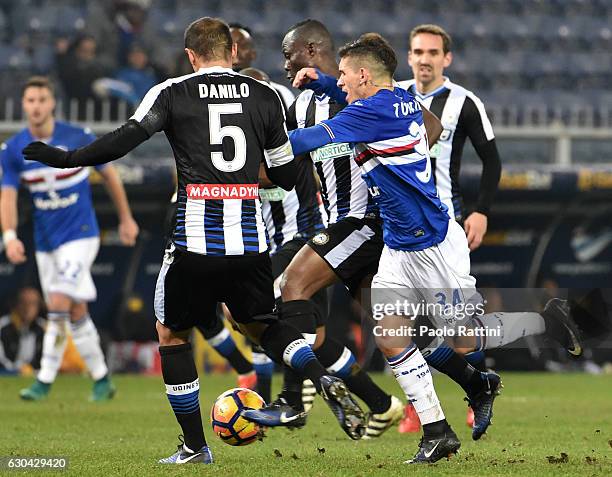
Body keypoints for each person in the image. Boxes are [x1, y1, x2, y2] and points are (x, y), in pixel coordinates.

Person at [22, 18, 366, 465]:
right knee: (263, 325)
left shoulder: (172, 91)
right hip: (250, 242)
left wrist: (68, 158)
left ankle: (194, 446)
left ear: (190, 55)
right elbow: (284, 171)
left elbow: (125, 139)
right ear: (230, 52)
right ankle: (319, 377)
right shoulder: (264, 96)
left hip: (194, 241)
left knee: (170, 333)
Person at [288, 34, 584, 462]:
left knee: (464, 341)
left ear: (365, 75)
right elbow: (430, 126)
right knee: (391, 337)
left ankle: (546, 321)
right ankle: (437, 430)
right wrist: (326, 83)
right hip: (397, 244)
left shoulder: (371, 112)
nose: (343, 81)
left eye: (346, 75)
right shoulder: (399, 100)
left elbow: (302, 142)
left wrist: (252, 137)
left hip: (434, 245)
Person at [245, 20, 403, 440]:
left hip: (371, 224)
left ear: (312, 50)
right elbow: (291, 166)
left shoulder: (369, 93)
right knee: (376, 333)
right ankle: (389, 403)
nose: (285, 64)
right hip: (337, 230)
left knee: (287, 289)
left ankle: (293, 402)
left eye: (289, 54)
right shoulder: (300, 106)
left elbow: (430, 128)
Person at [0, 76, 139, 401]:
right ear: (24, 105)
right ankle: (103, 380)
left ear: (52, 104)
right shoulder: (13, 149)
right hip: (47, 241)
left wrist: (126, 217)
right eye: (30, 100)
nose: (36, 106)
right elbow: (6, 196)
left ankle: (43, 380)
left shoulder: (78, 137)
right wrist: (8, 235)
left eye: (41, 100)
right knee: (73, 310)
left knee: (59, 302)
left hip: (80, 235)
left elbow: (109, 175)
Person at [396, 23, 503, 431]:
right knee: (399, 314)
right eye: (418, 51)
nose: (424, 59)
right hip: (399, 227)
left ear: (447, 58)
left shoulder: (464, 102)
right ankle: (418, 400)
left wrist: (482, 211)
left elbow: (492, 160)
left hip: (445, 228)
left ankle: (475, 392)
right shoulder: (394, 96)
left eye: (432, 52)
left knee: (454, 319)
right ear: (408, 57)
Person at [229, 23, 295, 110]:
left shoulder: (280, 93)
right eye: (228, 46)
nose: (235, 52)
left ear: (253, 53)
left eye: (243, 46)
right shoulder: (206, 91)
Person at [0, 287, 45, 375]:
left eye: (33, 303)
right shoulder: (3, 326)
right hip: (7, 374)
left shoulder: (44, 328)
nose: (27, 308)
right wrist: (16, 370)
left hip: (34, 374)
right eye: (24, 303)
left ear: (39, 307)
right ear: (16, 304)